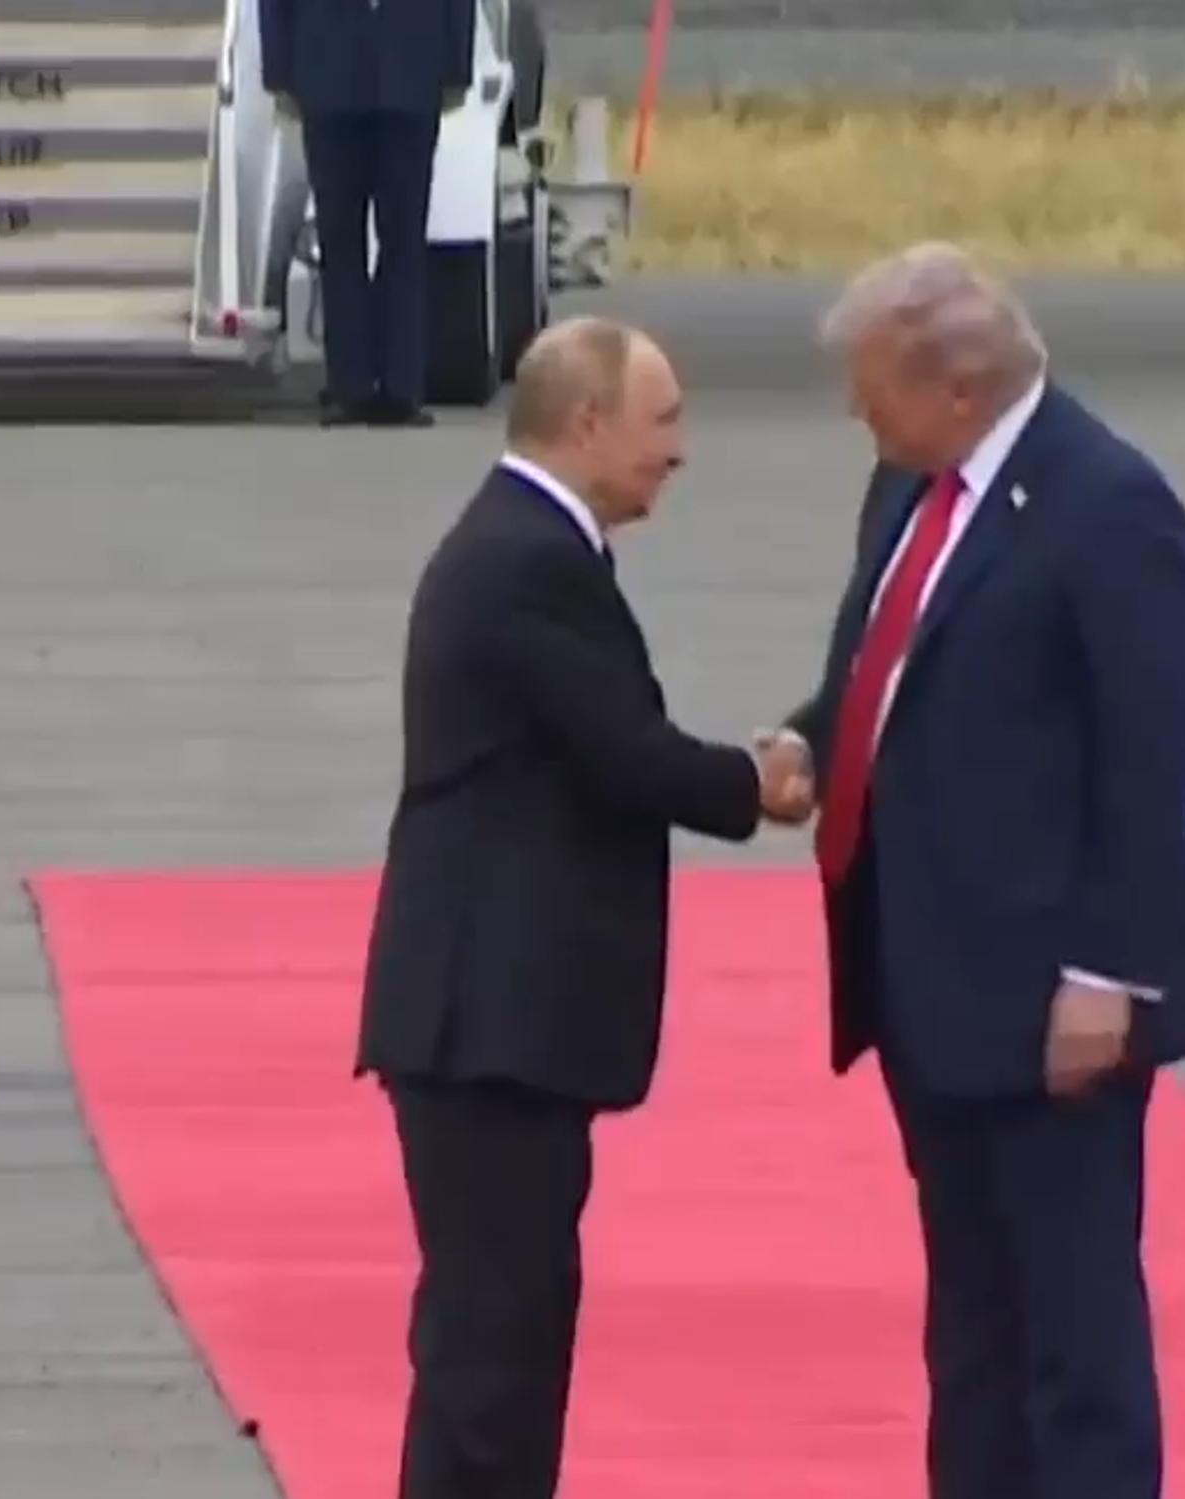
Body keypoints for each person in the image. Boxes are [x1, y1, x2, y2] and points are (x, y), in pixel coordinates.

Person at [756, 243, 1185, 1499]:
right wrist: (806, 741)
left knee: (1070, 1330)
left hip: (1050, 997)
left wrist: (1106, 973)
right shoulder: (910, 482)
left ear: (955, 389)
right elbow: (884, 663)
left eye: (873, 392)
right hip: (926, 977)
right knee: (971, 1324)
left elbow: (1149, 764)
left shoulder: (1106, 505)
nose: (857, 414)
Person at [357, 316, 813, 1499]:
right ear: (587, 421)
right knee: (490, 1344)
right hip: (487, 1019)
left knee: (501, 1329)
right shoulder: (526, 559)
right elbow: (622, 752)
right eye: (663, 421)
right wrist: (752, 783)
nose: (680, 450)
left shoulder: (531, 545)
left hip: (498, 1018)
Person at [259, 0, 474, 427]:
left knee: (404, 239)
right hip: (328, 73)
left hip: (411, 73)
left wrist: (457, 66)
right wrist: (279, 70)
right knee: (340, 241)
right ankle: (350, 386)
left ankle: (402, 387)